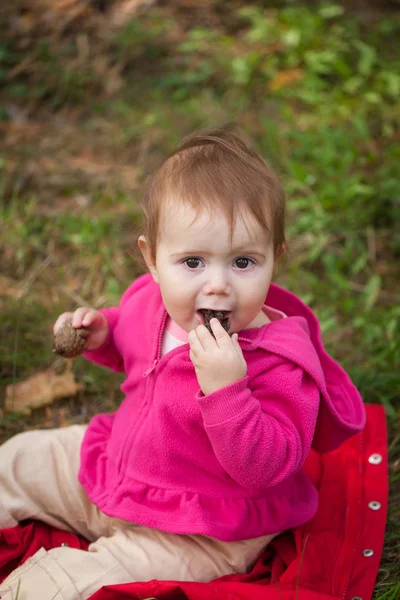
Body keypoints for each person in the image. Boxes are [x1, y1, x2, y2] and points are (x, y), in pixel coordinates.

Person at [0, 124, 366, 600]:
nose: (217, 285)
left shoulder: (278, 362)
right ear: (152, 260)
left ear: (275, 259)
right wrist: (102, 333)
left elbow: (270, 465)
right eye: (193, 262)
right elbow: (131, 348)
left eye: (243, 262)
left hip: (206, 529)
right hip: (118, 467)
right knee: (19, 460)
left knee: (71, 583)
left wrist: (228, 392)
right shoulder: (150, 304)